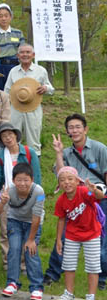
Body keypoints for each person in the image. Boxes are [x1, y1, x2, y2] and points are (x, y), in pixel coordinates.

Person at [45, 113, 107, 289]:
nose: (74, 130)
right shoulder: (66, 152)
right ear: (67, 131)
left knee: (101, 239)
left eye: (78, 126)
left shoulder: (99, 148)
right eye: (71, 127)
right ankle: (53, 274)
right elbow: (60, 173)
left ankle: (101, 278)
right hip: (74, 198)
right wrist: (58, 153)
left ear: (85, 129)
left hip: (96, 198)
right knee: (65, 236)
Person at [0, 122, 42, 269]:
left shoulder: (29, 152)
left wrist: (37, 198)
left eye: (10, 134)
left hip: (29, 196)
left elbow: (36, 176)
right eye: (4, 136)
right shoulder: (0, 156)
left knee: (27, 229)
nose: (8, 138)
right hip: (8, 197)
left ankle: (25, 264)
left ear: (16, 135)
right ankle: (8, 262)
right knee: (6, 231)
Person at [0, 162, 45, 300]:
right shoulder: (8, 191)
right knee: (14, 250)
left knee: (31, 252)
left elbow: (36, 217)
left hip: (32, 223)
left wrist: (30, 240)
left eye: (26, 180)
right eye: (19, 180)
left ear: (32, 180)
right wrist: (2, 202)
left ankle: (37, 288)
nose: (22, 183)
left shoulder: (39, 192)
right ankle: (12, 283)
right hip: (14, 222)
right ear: (14, 180)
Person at [54, 166, 105, 300]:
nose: (67, 182)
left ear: (77, 181)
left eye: (70, 179)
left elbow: (100, 197)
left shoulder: (84, 192)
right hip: (72, 235)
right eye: (62, 180)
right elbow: (61, 220)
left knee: (93, 266)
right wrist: (59, 239)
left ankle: (91, 295)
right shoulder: (61, 200)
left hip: (92, 233)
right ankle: (68, 293)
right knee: (68, 264)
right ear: (59, 184)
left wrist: (94, 190)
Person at [4, 44, 54, 157]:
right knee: (14, 136)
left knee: (34, 138)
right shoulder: (13, 71)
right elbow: (7, 91)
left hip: (34, 108)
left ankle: (34, 166)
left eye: (28, 52)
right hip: (15, 107)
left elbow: (51, 89)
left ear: (33, 55)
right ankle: (14, 164)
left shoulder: (41, 70)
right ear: (17, 55)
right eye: (22, 52)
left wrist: (46, 88)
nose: (25, 55)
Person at [0, 3, 26, 90]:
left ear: (11, 17)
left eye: (6, 16)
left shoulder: (18, 33)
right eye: (0, 16)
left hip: (15, 67)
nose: (3, 18)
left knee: (16, 93)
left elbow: (23, 52)